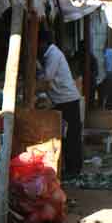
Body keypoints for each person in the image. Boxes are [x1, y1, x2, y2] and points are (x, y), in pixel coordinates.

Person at [37, 30, 83, 177]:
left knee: (71, 136)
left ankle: (74, 169)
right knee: (66, 136)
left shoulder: (53, 54)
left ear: (43, 43)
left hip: (67, 100)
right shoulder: (50, 54)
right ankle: (70, 167)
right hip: (62, 100)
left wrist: (37, 71)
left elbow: (47, 77)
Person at [100, 43, 112, 109]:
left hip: (109, 73)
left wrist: (105, 70)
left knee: (108, 90)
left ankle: (108, 105)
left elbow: (104, 63)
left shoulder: (107, 52)